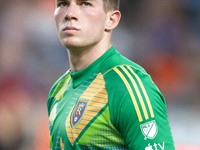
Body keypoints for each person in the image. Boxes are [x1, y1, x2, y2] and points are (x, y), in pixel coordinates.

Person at [47, 0, 175, 149]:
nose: (70, 14)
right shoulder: (57, 90)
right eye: (63, 4)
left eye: (85, 4)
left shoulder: (128, 87)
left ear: (111, 20)